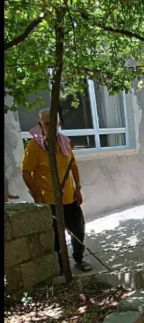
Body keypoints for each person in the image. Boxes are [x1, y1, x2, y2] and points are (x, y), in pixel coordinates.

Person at [21, 108, 91, 273]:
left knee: (78, 232)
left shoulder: (64, 142)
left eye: (54, 123)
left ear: (59, 123)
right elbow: (25, 172)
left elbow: (72, 166)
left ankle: (79, 260)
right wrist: (37, 194)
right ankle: (61, 268)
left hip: (70, 198)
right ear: (40, 125)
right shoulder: (34, 146)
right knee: (56, 239)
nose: (51, 127)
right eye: (47, 124)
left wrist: (78, 188)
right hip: (49, 202)